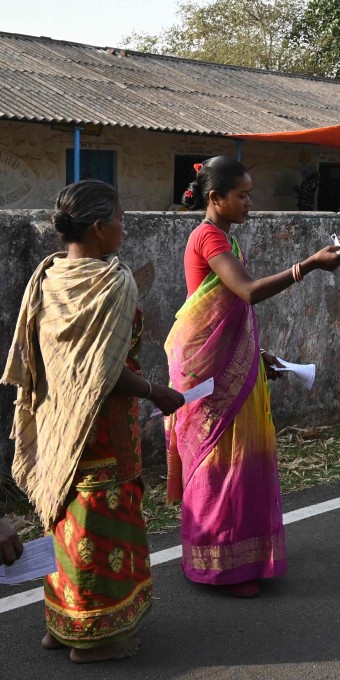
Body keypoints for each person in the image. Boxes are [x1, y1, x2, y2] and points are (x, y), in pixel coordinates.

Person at [2, 180, 186, 662]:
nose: (124, 228)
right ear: (101, 228)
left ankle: (60, 625)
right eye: (121, 220)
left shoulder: (49, 276)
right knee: (103, 524)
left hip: (58, 422)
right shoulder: (111, 282)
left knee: (62, 513)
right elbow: (104, 372)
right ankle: (96, 638)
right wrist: (156, 392)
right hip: (102, 430)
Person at [165, 157, 340, 599]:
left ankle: (240, 553)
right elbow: (246, 292)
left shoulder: (226, 238)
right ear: (215, 198)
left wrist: (255, 353)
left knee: (240, 464)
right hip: (206, 369)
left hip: (230, 362)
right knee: (218, 464)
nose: (251, 203)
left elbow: (230, 312)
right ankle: (218, 564)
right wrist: (309, 265)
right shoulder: (208, 236)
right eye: (242, 195)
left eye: (250, 193)